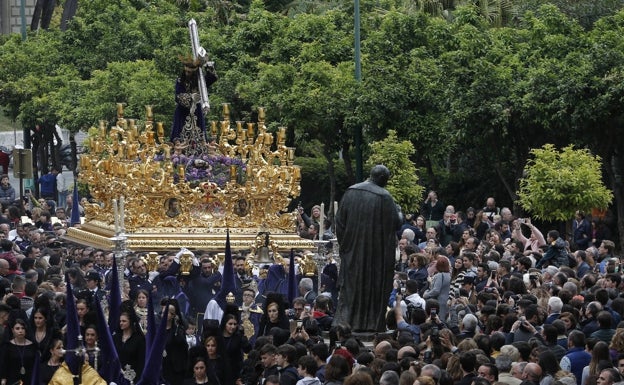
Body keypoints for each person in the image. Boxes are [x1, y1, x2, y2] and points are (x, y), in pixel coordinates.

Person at [333, 165, 402, 332]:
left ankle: (345, 322)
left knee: (350, 287)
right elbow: (396, 223)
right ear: (382, 179)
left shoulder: (350, 192)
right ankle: (369, 323)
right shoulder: (384, 196)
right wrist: (399, 212)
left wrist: (346, 246)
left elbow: (339, 222)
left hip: (352, 251)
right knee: (371, 289)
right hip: (375, 255)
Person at [170, 54, 218, 144]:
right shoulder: (180, 80)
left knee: (199, 132)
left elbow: (212, 78)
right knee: (179, 134)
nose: (187, 74)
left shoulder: (200, 81)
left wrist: (209, 67)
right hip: (183, 111)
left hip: (197, 110)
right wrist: (190, 97)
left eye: (189, 72)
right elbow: (178, 96)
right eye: (186, 71)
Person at [0, 318, 38, 385]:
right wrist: (3, 379)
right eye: (17, 328)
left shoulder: (32, 345)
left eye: (22, 328)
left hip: (29, 380)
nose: (20, 331)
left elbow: (35, 364)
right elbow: (4, 364)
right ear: (12, 330)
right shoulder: (8, 346)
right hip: (12, 380)